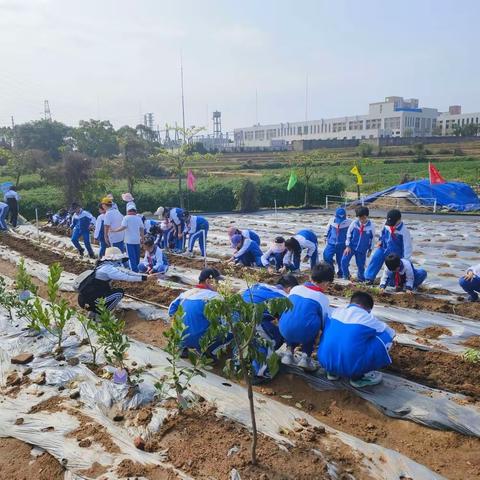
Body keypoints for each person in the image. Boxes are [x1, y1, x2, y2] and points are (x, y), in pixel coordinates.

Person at [317, 291, 396, 388]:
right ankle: (360, 377)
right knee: (385, 337)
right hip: (352, 369)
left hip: (324, 362)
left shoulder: (334, 312)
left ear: (351, 303)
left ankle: (332, 373)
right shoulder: (367, 318)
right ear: (368, 309)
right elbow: (392, 333)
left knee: (332, 332)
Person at [242, 274, 299, 382]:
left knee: (246, 338)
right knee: (271, 339)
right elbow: (287, 323)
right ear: (289, 289)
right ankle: (260, 373)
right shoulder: (284, 297)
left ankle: (241, 363)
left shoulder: (259, 286)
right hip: (254, 317)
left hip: (236, 317)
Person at [279, 262, 334, 371]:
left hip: (283, 329)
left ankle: (288, 352)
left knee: (295, 319)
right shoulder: (322, 298)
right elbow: (323, 322)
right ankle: (305, 358)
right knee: (311, 324)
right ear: (326, 283)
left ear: (310, 277)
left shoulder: (295, 289)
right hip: (304, 333)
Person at [77, 247, 155, 314]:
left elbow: (127, 272)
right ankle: (102, 314)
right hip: (89, 300)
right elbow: (126, 276)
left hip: (85, 299)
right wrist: (144, 278)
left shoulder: (102, 266)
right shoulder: (108, 268)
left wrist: (145, 276)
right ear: (114, 258)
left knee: (108, 289)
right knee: (119, 293)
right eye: (119, 259)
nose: (120, 262)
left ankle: (94, 312)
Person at [168, 268, 225, 354]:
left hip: (181, 337)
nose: (218, 285)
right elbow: (224, 319)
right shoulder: (216, 297)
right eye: (216, 282)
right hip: (202, 340)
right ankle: (209, 351)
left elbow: (171, 310)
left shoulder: (186, 294)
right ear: (208, 281)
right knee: (230, 331)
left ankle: (182, 347)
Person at [365, 209, 412, 284]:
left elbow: (407, 247)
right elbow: (382, 233)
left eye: (393, 223)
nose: (391, 225)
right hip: (384, 248)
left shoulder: (404, 231)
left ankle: (391, 282)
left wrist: (405, 260)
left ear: (399, 219)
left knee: (392, 270)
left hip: (395, 255)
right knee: (376, 257)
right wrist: (380, 240)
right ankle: (368, 278)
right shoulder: (387, 225)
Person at [341, 206, 375, 282]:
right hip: (351, 247)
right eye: (360, 218)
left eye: (363, 218)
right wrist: (347, 246)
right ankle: (346, 275)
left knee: (360, 266)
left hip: (362, 249)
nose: (362, 220)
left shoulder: (371, 226)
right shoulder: (354, 223)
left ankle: (361, 279)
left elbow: (372, 239)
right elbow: (348, 234)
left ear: (367, 216)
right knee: (344, 260)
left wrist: (370, 249)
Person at [110, 202, 144, 272]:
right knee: (137, 256)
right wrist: (142, 238)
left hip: (129, 241)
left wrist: (114, 230)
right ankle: (137, 268)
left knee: (131, 257)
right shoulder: (138, 218)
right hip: (137, 240)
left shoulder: (126, 218)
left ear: (128, 211)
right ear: (135, 211)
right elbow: (141, 229)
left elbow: (123, 227)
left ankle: (134, 271)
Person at [323, 207, 352, 277]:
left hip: (342, 245)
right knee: (326, 256)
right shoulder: (332, 220)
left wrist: (349, 245)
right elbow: (328, 229)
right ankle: (331, 271)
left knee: (341, 261)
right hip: (331, 243)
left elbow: (352, 233)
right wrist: (325, 236)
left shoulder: (350, 222)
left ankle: (342, 274)